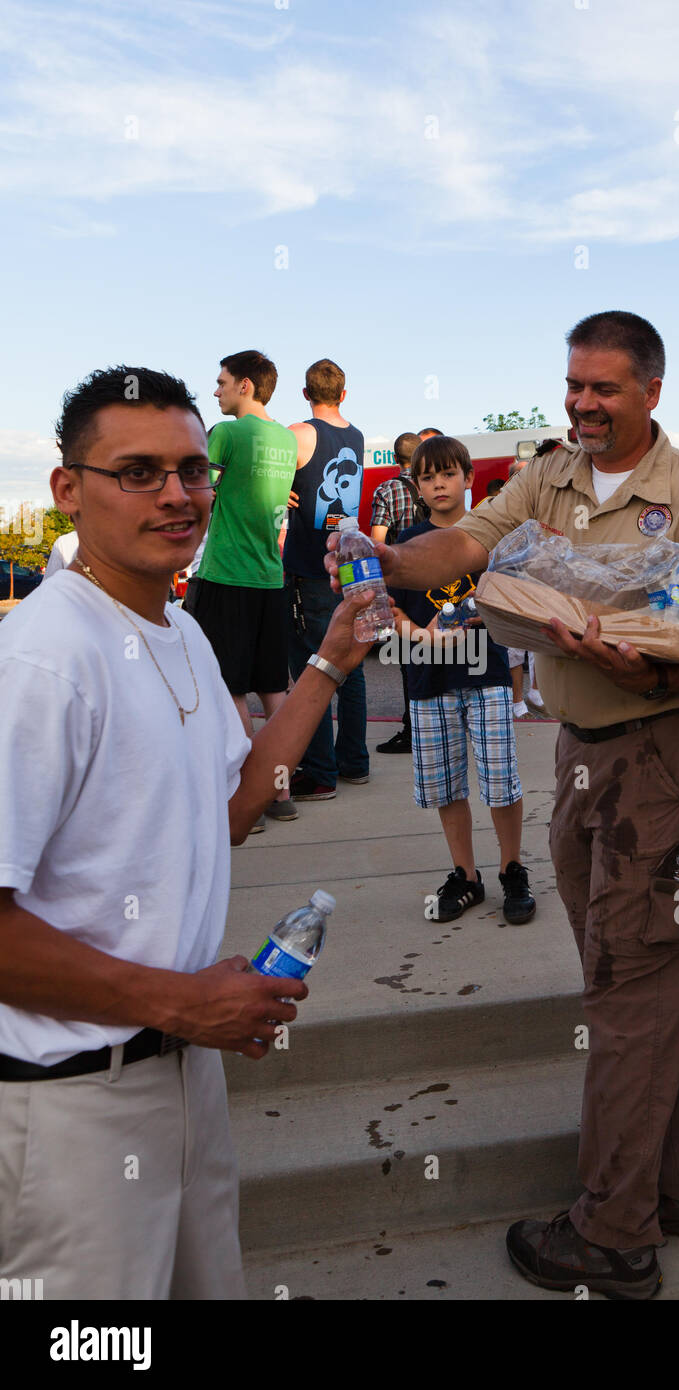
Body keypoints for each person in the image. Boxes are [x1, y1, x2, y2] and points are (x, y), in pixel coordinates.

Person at [331, 311, 679, 1299]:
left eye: (601, 389)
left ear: (649, 391)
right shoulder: (547, 476)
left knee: (626, 991)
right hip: (578, 757)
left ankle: (613, 1234)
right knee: (641, 984)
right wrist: (384, 557)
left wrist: (654, 673)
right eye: (572, 385)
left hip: (658, 755)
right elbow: (464, 544)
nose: (580, 404)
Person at [0, 366, 373, 1300]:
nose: (176, 493)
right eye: (137, 471)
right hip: (75, 1102)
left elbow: (241, 800)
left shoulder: (178, 628)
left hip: (181, 1072)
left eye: (192, 469)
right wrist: (174, 1000)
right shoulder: (44, 663)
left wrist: (330, 660)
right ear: (67, 490)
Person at [388, 436, 535, 926]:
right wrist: (419, 636)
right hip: (428, 681)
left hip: (487, 675)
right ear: (417, 486)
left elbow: (519, 602)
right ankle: (465, 875)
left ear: (469, 477)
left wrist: (492, 620)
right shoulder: (406, 543)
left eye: (447, 474)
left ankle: (512, 867)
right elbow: (386, 614)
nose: (438, 485)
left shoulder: (490, 540)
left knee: (500, 781)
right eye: (427, 477)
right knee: (446, 786)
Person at [188, 349, 298, 827]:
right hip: (270, 576)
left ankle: (242, 796)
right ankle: (280, 792)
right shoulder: (287, 441)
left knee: (229, 686)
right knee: (274, 686)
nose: (215, 391)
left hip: (225, 573)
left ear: (245, 386)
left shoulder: (227, 433)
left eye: (221, 382)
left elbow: (197, 490)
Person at [282, 359, 368, 800]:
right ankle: (354, 760)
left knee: (313, 668)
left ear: (305, 393)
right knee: (349, 666)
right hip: (346, 558)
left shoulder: (298, 432)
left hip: (308, 564)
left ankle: (319, 772)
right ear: (344, 393)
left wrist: (284, 492)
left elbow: (274, 488)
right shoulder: (357, 435)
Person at [370, 432, 425, 754]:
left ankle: (413, 729)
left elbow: (378, 541)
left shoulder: (388, 489)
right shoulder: (435, 486)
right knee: (443, 649)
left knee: (409, 657)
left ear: (395, 459)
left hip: (403, 584)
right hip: (440, 580)